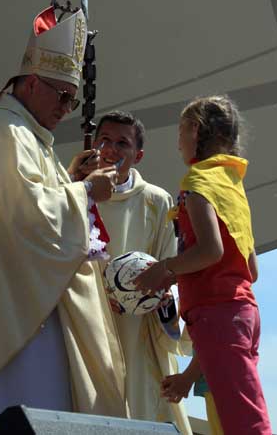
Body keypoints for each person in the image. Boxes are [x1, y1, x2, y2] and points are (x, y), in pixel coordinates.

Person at [0, 5, 127, 434]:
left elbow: (34, 204)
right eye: (62, 96)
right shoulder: (3, 130)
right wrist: (86, 192)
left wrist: (71, 181)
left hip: (33, 308)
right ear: (33, 82)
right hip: (15, 321)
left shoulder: (29, 135)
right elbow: (28, 218)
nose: (67, 108)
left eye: (73, 100)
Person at [135, 95, 270, 435]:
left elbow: (210, 251)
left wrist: (166, 268)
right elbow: (251, 270)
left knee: (244, 423)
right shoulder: (232, 186)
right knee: (233, 415)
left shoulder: (197, 184)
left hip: (218, 314)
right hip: (243, 314)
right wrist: (187, 378)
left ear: (194, 130)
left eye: (180, 131)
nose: (178, 142)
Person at [68, 111, 192, 434]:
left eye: (122, 143)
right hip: (85, 318)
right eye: (104, 140)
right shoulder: (77, 192)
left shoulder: (156, 201)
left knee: (137, 409)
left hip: (137, 330)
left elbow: (170, 266)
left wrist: (161, 297)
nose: (111, 149)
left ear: (138, 155)